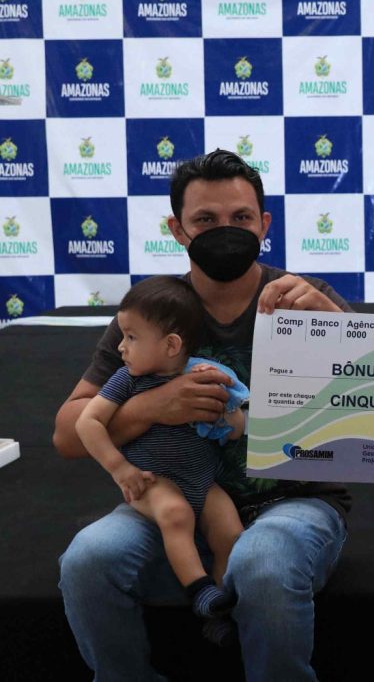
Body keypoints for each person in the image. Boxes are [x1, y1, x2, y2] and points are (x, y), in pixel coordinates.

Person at [53, 149, 353, 682]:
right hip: (173, 498)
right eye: (206, 220)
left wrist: (338, 325)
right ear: (178, 230)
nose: (226, 230)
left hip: (292, 501)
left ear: (264, 224)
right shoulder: (152, 311)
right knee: (87, 560)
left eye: (241, 217)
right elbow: (67, 435)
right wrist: (152, 407)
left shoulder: (310, 301)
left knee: (263, 563)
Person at [75, 276, 246, 646]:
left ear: (171, 345)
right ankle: (199, 591)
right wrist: (120, 468)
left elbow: (237, 429)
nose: (120, 347)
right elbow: (86, 423)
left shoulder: (205, 374)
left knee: (230, 533)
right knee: (176, 514)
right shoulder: (125, 380)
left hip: (203, 481)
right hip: (153, 481)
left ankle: (220, 611)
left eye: (131, 337)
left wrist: (225, 413)